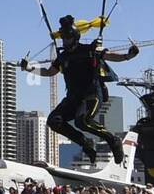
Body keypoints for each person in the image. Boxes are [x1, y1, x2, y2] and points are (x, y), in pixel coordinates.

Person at [20, 15, 138, 164]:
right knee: (54, 121)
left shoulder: (89, 50)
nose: (64, 41)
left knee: (82, 121)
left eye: (67, 38)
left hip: (92, 94)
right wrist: (29, 68)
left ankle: (113, 140)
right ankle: (86, 143)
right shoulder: (63, 57)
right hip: (73, 97)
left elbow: (109, 56)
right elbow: (50, 72)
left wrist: (128, 56)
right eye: (63, 38)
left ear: (75, 37)